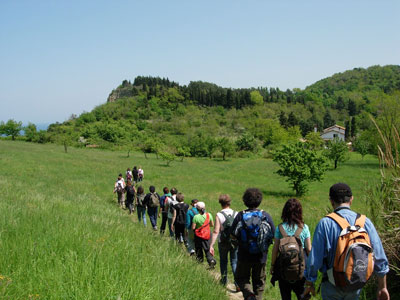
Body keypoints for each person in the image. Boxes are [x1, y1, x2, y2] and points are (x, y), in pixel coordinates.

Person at [303, 183, 390, 300]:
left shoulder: (325, 223)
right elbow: (380, 257)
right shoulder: (365, 222)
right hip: (355, 285)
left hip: (331, 284)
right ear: (351, 199)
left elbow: (315, 260)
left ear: (331, 201)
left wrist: (309, 282)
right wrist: (382, 286)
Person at [231, 188, 275, 300]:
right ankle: (256, 297)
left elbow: (233, 234)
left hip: (244, 255)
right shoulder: (265, 216)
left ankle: (249, 295)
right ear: (259, 200)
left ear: (245, 200)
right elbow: (274, 235)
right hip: (261, 256)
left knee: (241, 278)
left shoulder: (240, 215)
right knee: (259, 283)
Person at [270, 198, 311, 300]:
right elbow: (309, 249)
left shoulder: (280, 228)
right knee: (302, 295)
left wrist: (272, 266)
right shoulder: (304, 227)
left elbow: (275, 250)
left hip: (283, 267)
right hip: (301, 268)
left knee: (285, 296)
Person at [210, 194, 239, 289]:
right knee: (234, 261)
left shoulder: (219, 215)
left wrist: (211, 245)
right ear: (229, 202)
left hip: (223, 241)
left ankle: (224, 281)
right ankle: (238, 283)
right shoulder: (236, 213)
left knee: (223, 261)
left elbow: (216, 231)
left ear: (220, 203)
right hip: (235, 241)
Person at [191, 201, 216, 268]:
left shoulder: (196, 217)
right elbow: (212, 225)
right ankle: (211, 261)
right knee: (207, 249)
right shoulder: (209, 215)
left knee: (199, 249)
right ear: (204, 208)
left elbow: (193, 227)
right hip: (208, 234)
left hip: (199, 236)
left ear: (197, 209)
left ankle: (200, 262)